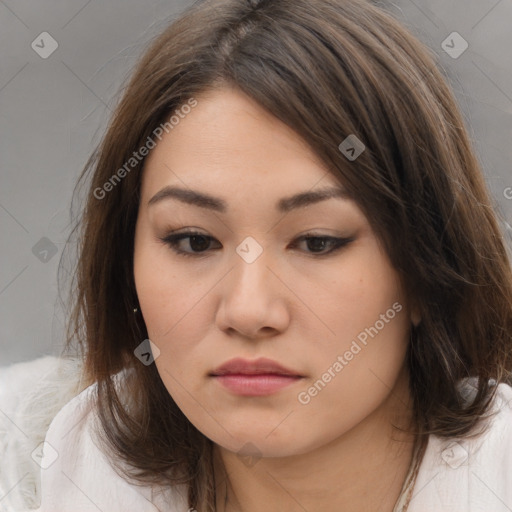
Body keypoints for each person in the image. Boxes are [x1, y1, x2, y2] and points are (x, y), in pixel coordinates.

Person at [1, 0, 512, 510]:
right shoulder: (24, 460)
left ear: (427, 271)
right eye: (194, 240)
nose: (248, 311)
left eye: (317, 242)